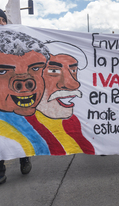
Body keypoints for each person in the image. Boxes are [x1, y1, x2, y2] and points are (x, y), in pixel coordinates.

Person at [0, 17, 50, 184]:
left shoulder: (18, 33)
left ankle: (24, 157)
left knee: (20, 130)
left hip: (18, 110)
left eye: (35, 68)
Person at [25, 42, 95, 155]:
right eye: (53, 71)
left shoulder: (74, 122)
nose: (73, 84)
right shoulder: (17, 124)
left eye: (73, 70)